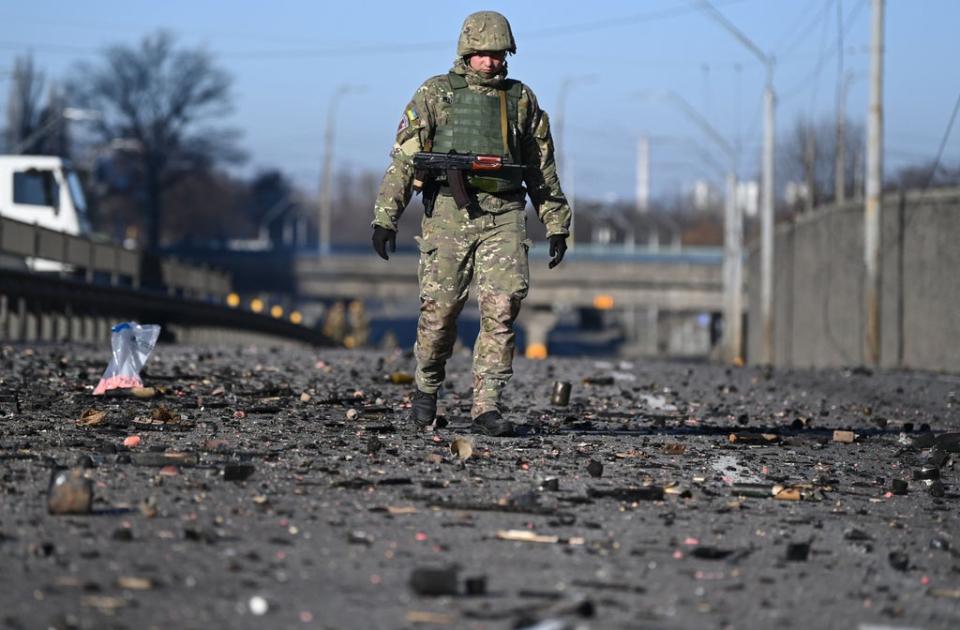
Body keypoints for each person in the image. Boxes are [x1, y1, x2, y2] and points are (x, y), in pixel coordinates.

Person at [371, 11, 571, 437]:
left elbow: (541, 169)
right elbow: (405, 160)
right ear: (466, 52)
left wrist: (555, 222)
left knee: (502, 310)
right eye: (482, 54)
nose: (491, 62)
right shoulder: (436, 93)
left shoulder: (521, 101)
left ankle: (487, 404)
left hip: (504, 214)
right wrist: (386, 216)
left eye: (498, 54)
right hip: (448, 214)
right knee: (440, 312)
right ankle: (426, 385)